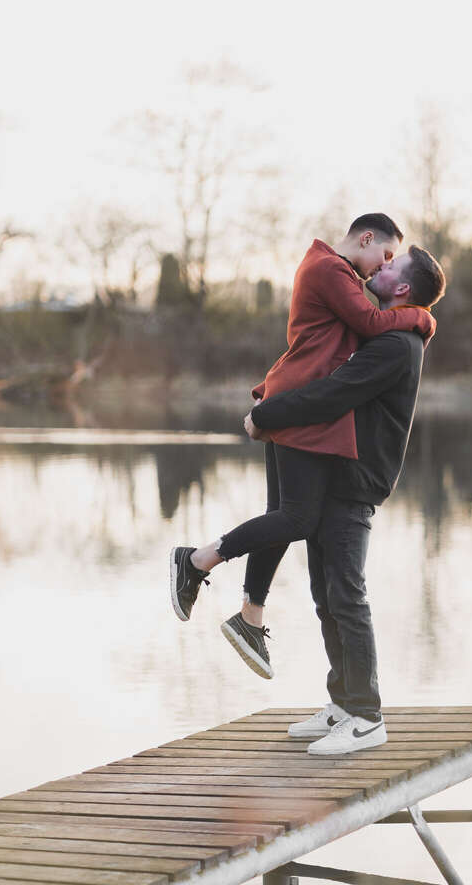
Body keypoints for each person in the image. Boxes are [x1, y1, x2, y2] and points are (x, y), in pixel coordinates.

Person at [169, 215, 436, 677]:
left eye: (392, 262)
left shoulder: (336, 272)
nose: (383, 265)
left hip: (296, 404)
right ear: (366, 238)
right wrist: (423, 318)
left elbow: (321, 347)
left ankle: (251, 615)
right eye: (386, 254)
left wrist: (272, 399)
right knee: (296, 519)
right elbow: (371, 322)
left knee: (282, 516)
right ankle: (196, 560)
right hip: (300, 410)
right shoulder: (331, 269)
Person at [245, 244, 447, 754]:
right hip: (335, 475)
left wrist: (266, 415)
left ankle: (367, 716)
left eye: (392, 266)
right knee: (327, 595)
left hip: (356, 481)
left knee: (347, 595)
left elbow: (332, 393)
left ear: (403, 288)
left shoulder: (396, 344)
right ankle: (343, 702)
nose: (382, 265)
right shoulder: (386, 334)